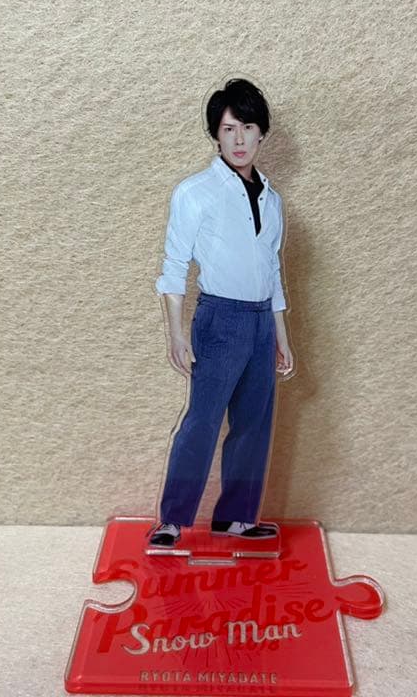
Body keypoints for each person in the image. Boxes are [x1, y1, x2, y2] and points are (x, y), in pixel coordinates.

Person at [150, 78, 293, 548]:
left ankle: (237, 517)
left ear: (261, 133)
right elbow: (174, 266)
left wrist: (281, 335)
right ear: (216, 134)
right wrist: (175, 333)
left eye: (247, 127)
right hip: (219, 320)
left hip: (260, 322)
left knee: (254, 423)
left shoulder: (272, 199)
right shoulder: (194, 192)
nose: (238, 139)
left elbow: (271, 269)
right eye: (229, 129)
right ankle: (173, 519)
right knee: (203, 420)